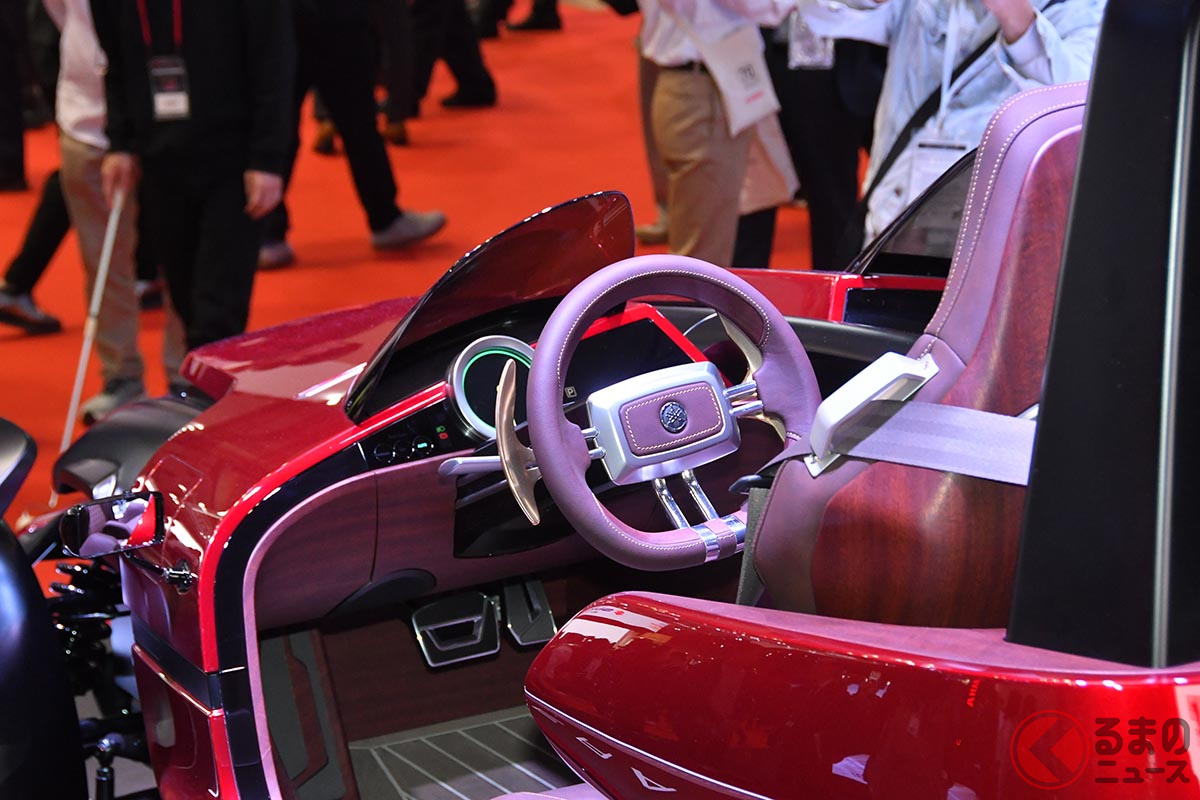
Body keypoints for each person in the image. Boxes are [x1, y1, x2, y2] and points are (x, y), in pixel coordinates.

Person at [799, 0, 1106, 244]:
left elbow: (1079, 99)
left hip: (999, 233)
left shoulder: (1081, 8)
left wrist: (1014, 14)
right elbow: (821, 16)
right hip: (895, 215)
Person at [91, 0, 294, 354]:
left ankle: (208, 384)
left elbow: (274, 58)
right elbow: (113, 58)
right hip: (159, 159)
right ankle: (205, 378)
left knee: (216, 315)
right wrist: (119, 142)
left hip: (234, 160)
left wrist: (267, 157)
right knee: (186, 304)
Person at [260, 0, 446, 270]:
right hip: (334, 21)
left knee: (282, 122)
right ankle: (385, 217)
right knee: (357, 121)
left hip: (287, 21)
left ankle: (267, 231)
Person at [637, 0, 797, 268]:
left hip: (701, 82)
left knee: (705, 246)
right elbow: (762, 6)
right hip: (704, 88)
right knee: (702, 260)